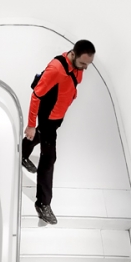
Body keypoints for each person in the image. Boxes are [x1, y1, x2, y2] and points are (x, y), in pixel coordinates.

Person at [22, 39, 95, 224]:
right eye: (83, 63)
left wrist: (72, 95)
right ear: (73, 54)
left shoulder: (78, 67)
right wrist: (31, 124)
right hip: (48, 117)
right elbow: (36, 95)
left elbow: (71, 83)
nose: (85, 68)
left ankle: (22, 153)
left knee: (40, 135)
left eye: (88, 64)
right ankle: (43, 203)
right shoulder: (55, 69)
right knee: (49, 159)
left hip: (57, 116)